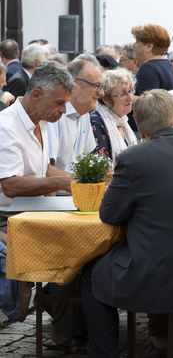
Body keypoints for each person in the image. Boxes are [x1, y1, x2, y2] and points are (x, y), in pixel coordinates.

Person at [81, 89, 173, 358]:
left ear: (141, 130)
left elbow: (109, 215)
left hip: (155, 271)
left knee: (91, 275)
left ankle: (105, 353)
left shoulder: (132, 159)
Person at [0, 61, 76, 323]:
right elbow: (10, 185)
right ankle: (64, 323)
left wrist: (81, 179)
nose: (64, 110)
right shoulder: (6, 126)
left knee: (87, 234)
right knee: (75, 245)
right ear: (36, 95)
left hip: (33, 209)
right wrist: (63, 184)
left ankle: (62, 312)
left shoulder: (41, 119)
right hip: (9, 216)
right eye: (59, 103)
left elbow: (43, 170)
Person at [44, 56, 104, 354]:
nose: (101, 93)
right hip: (50, 200)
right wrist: (83, 182)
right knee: (72, 247)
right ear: (76, 86)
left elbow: (89, 161)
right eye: (97, 86)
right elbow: (48, 171)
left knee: (97, 244)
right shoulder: (57, 115)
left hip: (71, 199)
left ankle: (79, 318)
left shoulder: (84, 116)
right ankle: (63, 331)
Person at [90, 67, 137, 160]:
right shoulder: (96, 122)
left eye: (130, 91)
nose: (130, 98)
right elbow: (103, 167)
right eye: (123, 94)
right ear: (106, 99)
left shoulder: (122, 120)